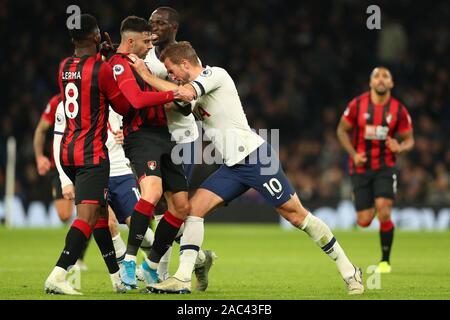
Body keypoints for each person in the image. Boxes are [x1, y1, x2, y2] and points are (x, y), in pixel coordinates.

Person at [129, 41, 364, 295]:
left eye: (172, 69)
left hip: (255, 158)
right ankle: (182, 278)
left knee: (297, 216)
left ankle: (350, 271)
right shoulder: (192, 90)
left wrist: (146, 75)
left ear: (185, 64)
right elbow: (168, 101)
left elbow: (182, 95)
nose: (171, 76)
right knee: (192, 211)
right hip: (231, 166)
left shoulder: (214, 75)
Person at [44, 13, 133, 295]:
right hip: (92, 155)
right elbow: (123, 106)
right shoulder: (102, 69)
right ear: (97, 37)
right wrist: (113, 61)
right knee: (86, 218)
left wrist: (101, 60)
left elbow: (86, 85)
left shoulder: (63, 67)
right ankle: (58, 274)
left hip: (68, 152)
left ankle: (117, 279)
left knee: (97, 216)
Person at [106, 16, 194, 289]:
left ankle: (150, 264)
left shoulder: (143, 63)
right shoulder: (120, 65)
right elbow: (136, 100)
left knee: (181, 207)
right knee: (152, 192)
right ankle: (129, 263)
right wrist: (174, 94)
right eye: (145, 41)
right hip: (140, 137)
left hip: (164, 136)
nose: (149, 44)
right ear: (130, 42)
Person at [141, 6, 216, 291]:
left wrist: (147, 98)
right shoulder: (147, 54)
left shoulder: (184, 60)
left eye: (159, 23)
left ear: (173, 27)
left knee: (174, 207)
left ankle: (159, 273)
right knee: (157, 205)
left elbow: (185, 107)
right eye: (151, 23)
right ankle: (198, 258)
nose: (153, 27)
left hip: (182, 139)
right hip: (155, 137)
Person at [53, 104, 156, 270]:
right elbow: (58, 143)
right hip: (93, 169)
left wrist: (128, 134)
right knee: (108, 222)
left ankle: (155, 264)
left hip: (121, 170)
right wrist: (65, 179)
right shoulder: (65, 105)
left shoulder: (115, 94)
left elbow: (139, 121)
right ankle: (124, 271)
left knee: (139, 226)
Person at [337, 67, 414, 273]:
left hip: (385, 167)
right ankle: (367, 202)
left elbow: (409, 140)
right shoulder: (357, 105)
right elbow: (341, 130)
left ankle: (385, 261)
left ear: (391, 83)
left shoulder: (398, 110)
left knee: (384, 211)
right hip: (360, 166)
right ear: (371, 83)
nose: (381, 80)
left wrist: (400, 147)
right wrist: (353, 154)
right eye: (377, 76)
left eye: (385, 76)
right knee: (363, 221)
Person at [34, 93, 89, 271]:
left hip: (85, 162)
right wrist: (39, 156)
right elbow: (41, 129)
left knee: (91, 211)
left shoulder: (92, 96)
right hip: (59, 164)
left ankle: (77, 256)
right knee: (64, 215)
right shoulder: (56, 102)